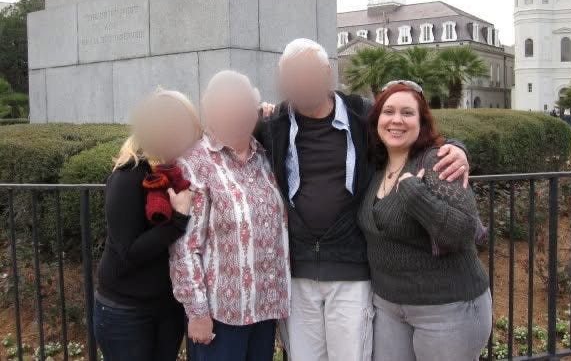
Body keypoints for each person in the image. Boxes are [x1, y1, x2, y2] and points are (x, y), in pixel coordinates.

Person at [255, 38, 471, 361]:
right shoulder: (274, 125)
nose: (299, 83)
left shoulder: (362, 115)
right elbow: (226, 137)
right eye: (291, 76)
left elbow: (409, 132)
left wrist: (457, 148)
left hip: (351, 268)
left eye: (307, 73)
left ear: (327, 74)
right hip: (297, 270)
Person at [357, 81, 492, 361]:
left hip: (448, 308)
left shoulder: (436, 161)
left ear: (421, 122)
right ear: (377, 120)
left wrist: (415, 195)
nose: (396, 120)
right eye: (388, 112)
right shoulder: (375, 166)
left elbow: (463, 232)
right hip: (389, 307)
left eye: (407, 113)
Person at [169, 71, 290, 361]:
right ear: (210, 112)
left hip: (265, 308)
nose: (236, 113)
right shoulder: (195, 164)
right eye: (226, 106)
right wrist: (197, 312)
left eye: (243, 105)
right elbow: (184, 247)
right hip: (220, 316)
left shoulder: (264, 158)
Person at [94, 89, 202, 361]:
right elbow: (128, 252)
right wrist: (178, 220)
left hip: (167, 305)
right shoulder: (129, 175)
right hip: (126, 310)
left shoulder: (178, 173)